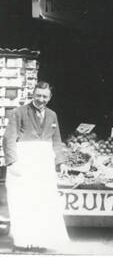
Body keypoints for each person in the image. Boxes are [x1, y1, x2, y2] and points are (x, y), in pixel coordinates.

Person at [2, 81, 69, 252]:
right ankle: (23, 242)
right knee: (24, 202)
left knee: (43, 202)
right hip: (24, 161)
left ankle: (40, 242)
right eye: (38, 95)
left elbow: (56, 140)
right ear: (33, 94)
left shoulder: (53, 115)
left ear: (50, 97)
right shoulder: (19, 112)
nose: (41, 99)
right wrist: (12, 162)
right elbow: (9, 138)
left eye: (45, 96)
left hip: (44, 163)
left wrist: (60, 162)